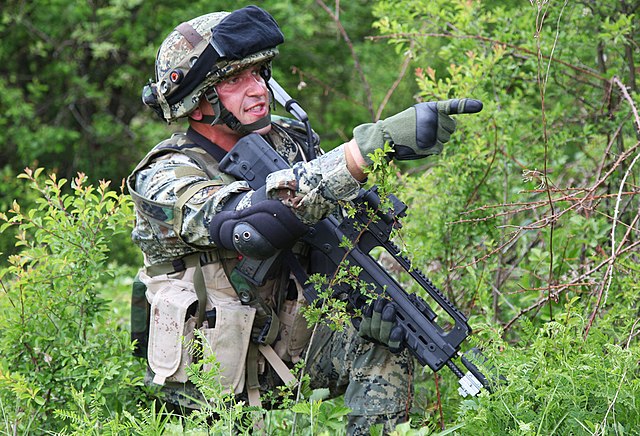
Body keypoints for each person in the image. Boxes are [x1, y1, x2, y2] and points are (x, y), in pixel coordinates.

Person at [128, 5, 481, 435]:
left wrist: (358, 306)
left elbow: (326, 227)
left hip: (283, 347)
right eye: (235, 80)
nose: (257, 89)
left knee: (386, 341)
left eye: (260, 74)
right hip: (205, 378)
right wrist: (365, 150)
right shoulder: (165, 173)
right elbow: (252, 227)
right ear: (197, 99)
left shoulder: (286, 140)